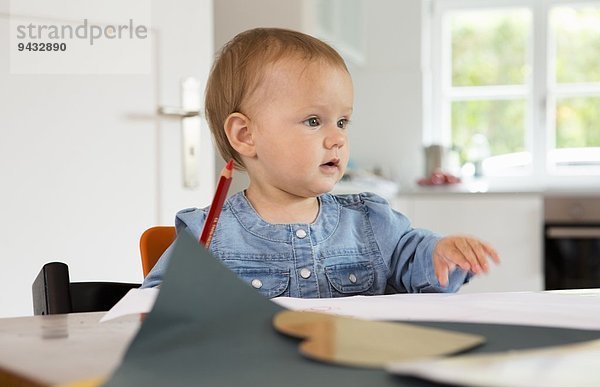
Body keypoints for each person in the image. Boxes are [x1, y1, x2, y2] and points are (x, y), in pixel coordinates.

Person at [142, 27, 500, 296]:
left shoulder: (372, 221)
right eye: (314, 121)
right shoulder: (208, 235)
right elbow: (150, 313)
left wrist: (441, 254)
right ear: (245, 135)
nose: (338, 138)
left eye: (342, 121)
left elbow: (416, 261)